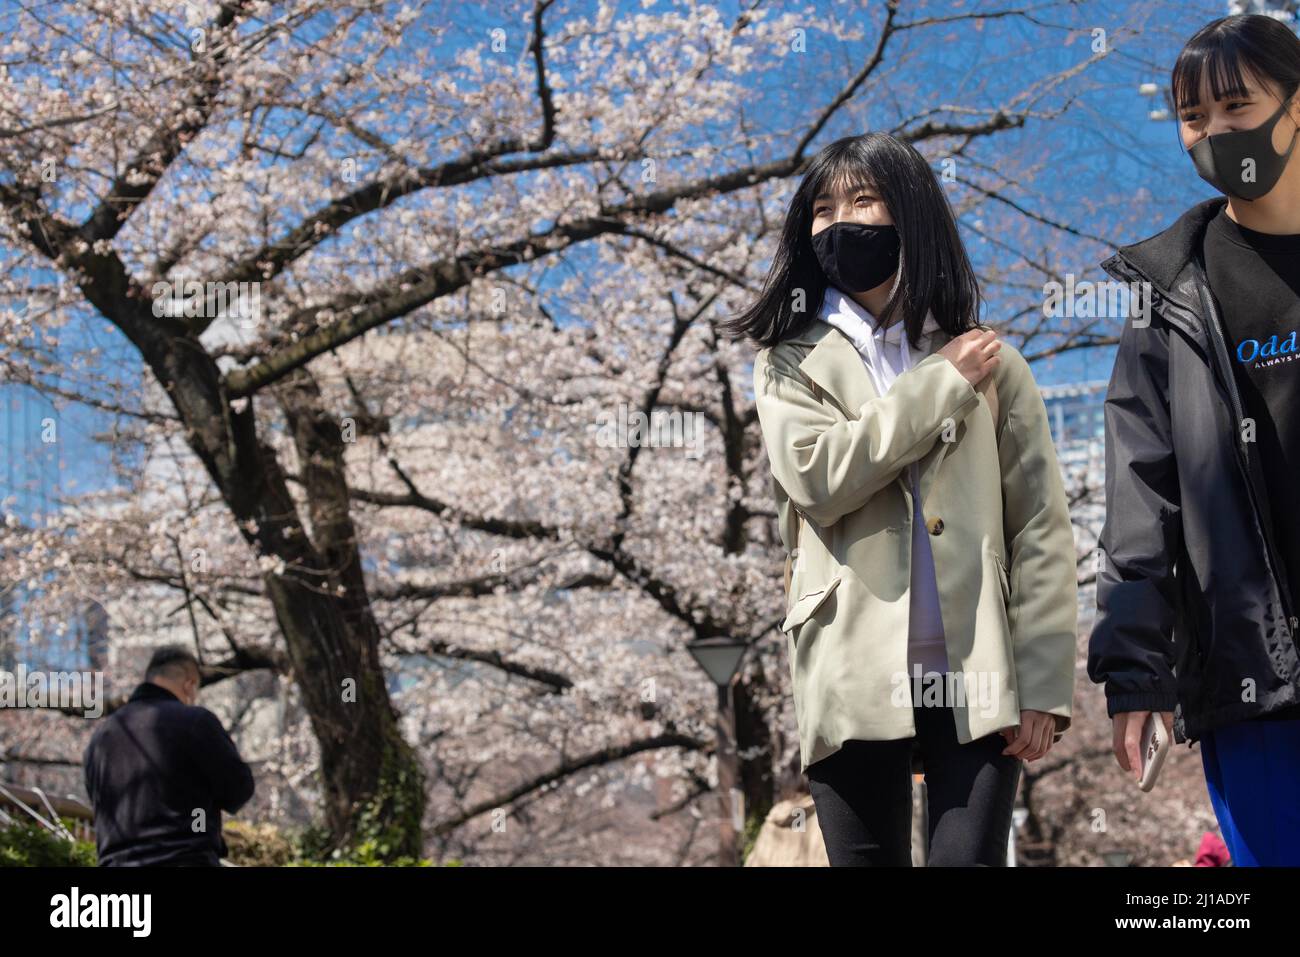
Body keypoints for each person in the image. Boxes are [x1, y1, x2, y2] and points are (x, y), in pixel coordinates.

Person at [723, 132, 1078, 865]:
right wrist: (937, 386)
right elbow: (821, 479)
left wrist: (1044, 680)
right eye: (821, 208)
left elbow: (1040, 524)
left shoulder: (993, 364)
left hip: (976, 670)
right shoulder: (787, 361)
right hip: (850, 668)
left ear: (910, 212)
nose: (838, 222)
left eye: (862, 199)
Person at [1087, 13, 1300, 867]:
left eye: (1235, 105)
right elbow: (1142, 492)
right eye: (1192, 117)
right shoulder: (1169, 293)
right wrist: (1134, 670)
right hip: (1252, 676)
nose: (1213, 131)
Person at [83, 645, 255, 866]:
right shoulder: (195, 722)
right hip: (185, 859)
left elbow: (98, 803)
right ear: (190, 685)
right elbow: (238, 789)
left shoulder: (100, 739)